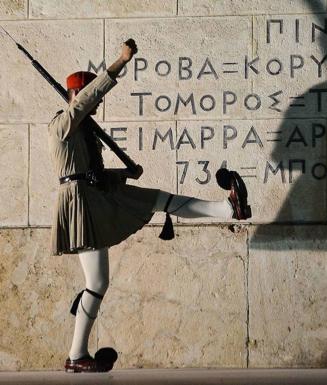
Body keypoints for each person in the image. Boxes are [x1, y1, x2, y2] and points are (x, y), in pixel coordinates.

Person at [48, 39, 252, 373]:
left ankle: (230, 210)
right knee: (97, 282)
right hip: (82, 206)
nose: (96, 109)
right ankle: (76, 356)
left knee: (155, 202)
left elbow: (93, 174)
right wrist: (120, 62)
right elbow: (86, 105)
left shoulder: (83, 132)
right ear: (75, 97)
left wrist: (125, 173)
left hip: (97, 196)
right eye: (87, 101)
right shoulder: (62, 125)